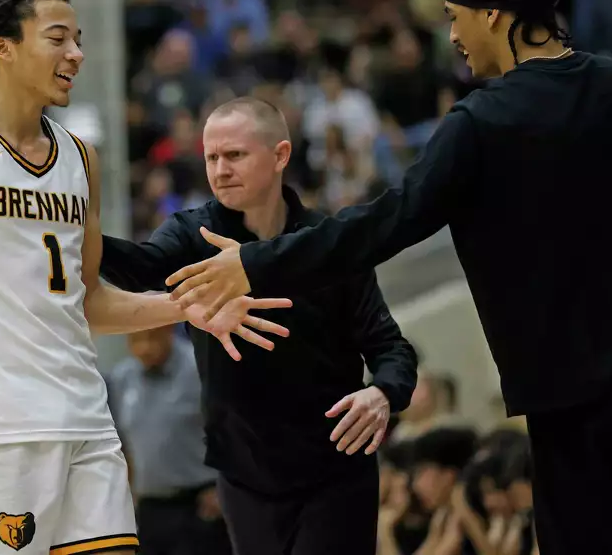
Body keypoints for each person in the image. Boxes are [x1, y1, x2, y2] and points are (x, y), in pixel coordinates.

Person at [165, 0, 612, 554]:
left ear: (493, 14)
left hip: (570, 403)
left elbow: (384, 225)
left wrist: (256, 261)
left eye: (454, 16)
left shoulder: (482, 123)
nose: (454, 36)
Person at [0, 0, 291, 555]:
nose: (76, 54)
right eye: (59, 38)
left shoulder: (79, 158)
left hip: (87, 420)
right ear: (4, 46)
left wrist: (189, 307)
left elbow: (87, 300)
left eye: (79, 40)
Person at [100, 97, 418, 554]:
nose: (220, 169)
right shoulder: (194, 234)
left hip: (335, 472)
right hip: (244, 478)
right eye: (211, 157)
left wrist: (383, 391)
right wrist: (74, 226)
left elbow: (390, 346)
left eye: (235, 155)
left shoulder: (326, 242)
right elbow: (144, 269)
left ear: (281, 155)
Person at [107, 325, 233, 555]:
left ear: (168, 330)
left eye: (151, 338)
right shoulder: (121, 379)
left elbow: (231, 431)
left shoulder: (200, 370)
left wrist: (223, 489)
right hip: (149, 508)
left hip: (199, 505)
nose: (144, 348)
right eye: (135, 339)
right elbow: (122, 443)